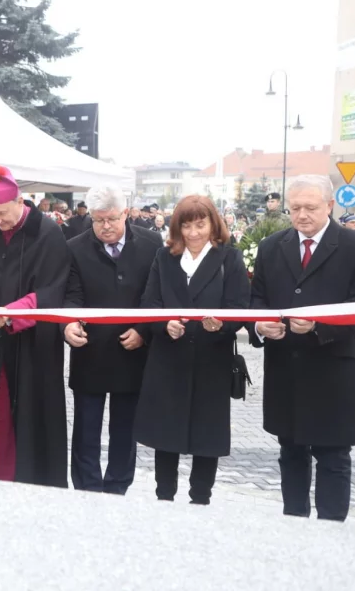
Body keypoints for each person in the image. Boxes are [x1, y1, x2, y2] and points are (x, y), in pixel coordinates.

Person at [250, 175, 355, 522]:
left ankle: (331, 532)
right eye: (295, 208)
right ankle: (294, 524)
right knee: (290, 451)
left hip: (334, 369)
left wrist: (321, 327)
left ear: (330, 206)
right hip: (286, 367)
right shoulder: (271, 246)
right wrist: (259, 325)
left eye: (310, 207)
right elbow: (258, 299)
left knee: (333, 456)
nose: (302, 215)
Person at [0, 165, 71, 487]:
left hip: (31, 351)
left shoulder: (47, 233)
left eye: (2, 213)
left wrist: (10, 314)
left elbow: (52, 290)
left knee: (26, 422)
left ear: (19, 202)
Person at [135, 194, 250, 505]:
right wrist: (164, 324)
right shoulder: (164, 258)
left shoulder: (230, 259)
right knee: (165, 434)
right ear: (177, 228)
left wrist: (222, 325)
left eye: (201, 225)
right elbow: (150, 303)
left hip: (211, 358)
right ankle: (164, 497)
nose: (195, 233)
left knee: (206, 435)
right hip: (169, 358)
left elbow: (239, 306)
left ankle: (201, 498)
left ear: (213, 224)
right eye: (187, 226)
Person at [63, 185, 162, 495]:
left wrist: (142, 332)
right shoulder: (75, 247)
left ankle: (118, 487)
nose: (105, 227)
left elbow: (155, 294)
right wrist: (68, 324)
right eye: (98, 220)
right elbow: (71, 295)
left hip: (132, 351)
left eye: (112, 219)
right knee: (85, 429)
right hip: (89, 351)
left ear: (126, 214)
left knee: (125, 429)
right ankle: (88, 489)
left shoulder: (150, 244)